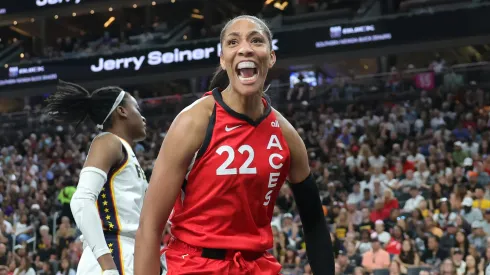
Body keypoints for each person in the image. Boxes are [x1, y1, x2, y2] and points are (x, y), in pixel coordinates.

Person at [134, 15, 334, 275]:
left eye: (256, 40)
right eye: (233, 42)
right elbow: (150, 226)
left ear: (271, 57)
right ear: (223, 59)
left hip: (257, 265)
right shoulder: (193, 121)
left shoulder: (286, 135)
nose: (245, 48)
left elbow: (315, 221)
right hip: (195, 265)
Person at [44, 80, 148, 275]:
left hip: (130, 252)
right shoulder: (108, 141)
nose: (143, 118)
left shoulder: (127, 152)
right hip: (114, 251)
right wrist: (107, 266)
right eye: (137, 108)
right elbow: (82, 200)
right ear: (122, 111)